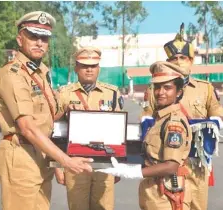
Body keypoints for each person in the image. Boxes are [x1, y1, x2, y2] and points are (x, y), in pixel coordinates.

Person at [0, 11, 93, 210]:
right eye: (33, 36)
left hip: (40, 154)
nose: (39, 42)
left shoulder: (41, 72)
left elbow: (44, 119)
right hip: (21, 155)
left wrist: (66, 112)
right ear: (20, 39)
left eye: (44, 38)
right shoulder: (13, 74)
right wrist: (65, 160)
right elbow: (27, 127)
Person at [141, 23, 223, 210]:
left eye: (183, 57)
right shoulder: (156, 88)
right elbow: (146, 118)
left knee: (197, 206)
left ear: (191, 60)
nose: (178, 61)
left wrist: (209, 126)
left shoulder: (205, 88)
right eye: (174, 58)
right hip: (167, 161)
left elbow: (217, 113)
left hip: (196, 162)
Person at [98, 61, 193, 210]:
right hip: (154, 190)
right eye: (157, 87)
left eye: (167, 87)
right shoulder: (161, 118)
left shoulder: (173, 123)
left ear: (179, 92)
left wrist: (132, 172)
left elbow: (171, 166)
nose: (161, 92)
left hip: (166, 194)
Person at [55, 46, 124, 210]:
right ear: (76, 68)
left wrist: (119, 165)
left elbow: (120, 131)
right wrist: (58, 165)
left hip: (105, 162)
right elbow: (55, 131)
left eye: (93, 66)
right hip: (75, 163)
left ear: (98, 68)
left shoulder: (112, 94)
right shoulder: (64, 94)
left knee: (103, 206)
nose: (89, 70)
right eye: (84, 66)